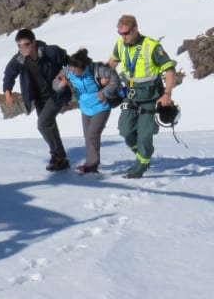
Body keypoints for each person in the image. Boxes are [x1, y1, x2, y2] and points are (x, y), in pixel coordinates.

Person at [107, 15, 177, 179]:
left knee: (144, 134)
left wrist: (167, 94)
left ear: (135, 29)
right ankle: (143, 155)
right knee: (125, 130)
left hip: (150, 97)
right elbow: (112, 63)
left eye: (126, 33)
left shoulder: (152, 46)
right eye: (120, 33)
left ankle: (140, 167)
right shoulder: (120, 45)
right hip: (130, 96)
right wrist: (102, 74)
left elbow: (170, 70)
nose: (123, 37)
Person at [2, 28, 72, 171]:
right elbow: (9, 74)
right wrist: (7, 92)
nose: (23, 48)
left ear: (33, 42)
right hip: (39, 98)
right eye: (19, 46)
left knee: (42, 124)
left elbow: (71, 63)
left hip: (56, 94)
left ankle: (57, 155)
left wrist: (65, 77)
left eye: (26, 44)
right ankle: (60, 159)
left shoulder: (50, 52)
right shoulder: (19, 60)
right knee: (49, 125)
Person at [54, 49, 122, 174]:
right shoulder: (69, 71)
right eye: (71, 69)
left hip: (101, 106)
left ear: (84, 67)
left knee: (92, 135)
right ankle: (91, 163)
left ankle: (92, 165)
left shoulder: (97, 69)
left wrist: (104, 92)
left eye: (75, 70)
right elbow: (55, 84)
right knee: (88, 136)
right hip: (85, 107)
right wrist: (61, 85)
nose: (72, 72)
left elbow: (115, 81)